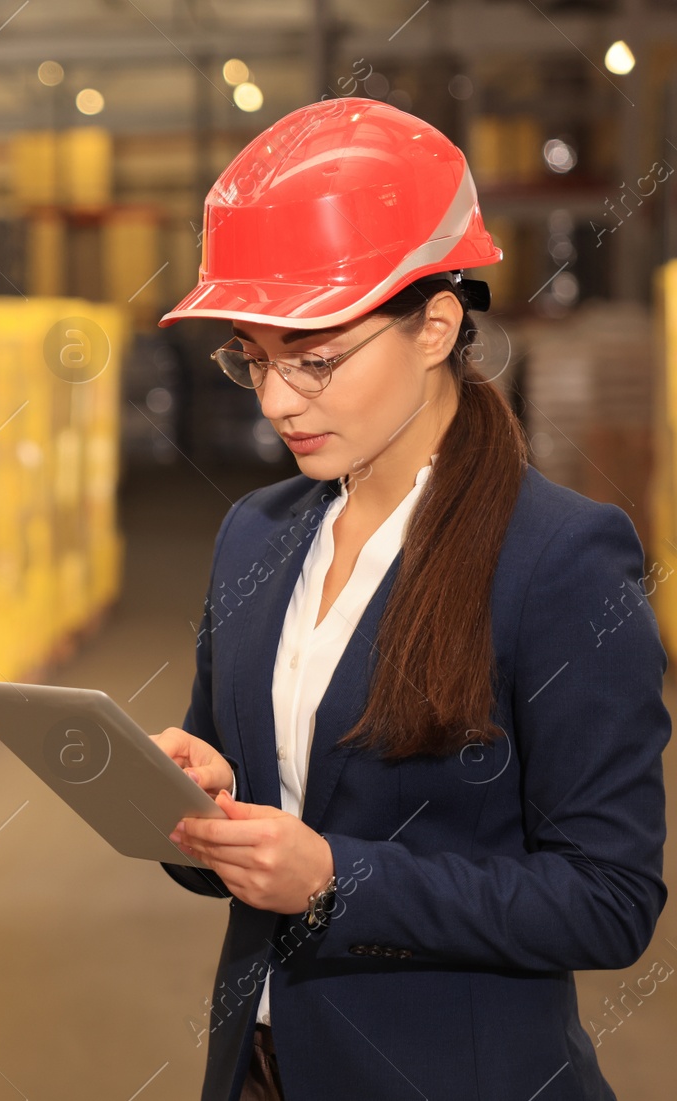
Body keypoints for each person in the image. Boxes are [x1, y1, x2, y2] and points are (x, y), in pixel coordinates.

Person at [148, 97, 670, 1101]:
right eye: (250, 361)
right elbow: (255, 846)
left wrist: (338, 880)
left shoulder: (558, 559)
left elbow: (607, 900)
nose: (274, 403)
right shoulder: (257, 535)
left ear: (434, 325)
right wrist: (201, 808)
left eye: (314, 361)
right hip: (258, 1071)